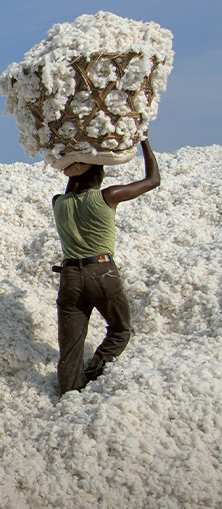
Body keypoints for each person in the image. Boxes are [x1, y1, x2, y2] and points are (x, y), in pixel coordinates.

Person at [52, 138, 161, 395]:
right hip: (101, 273)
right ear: (98, 174)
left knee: (70, 347)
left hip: (69, 277)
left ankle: (69, 395)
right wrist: (144, 142)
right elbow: (153, 180)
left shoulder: (59, 202)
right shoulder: (107, 196)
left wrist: (75, 159)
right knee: (120, 330)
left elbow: (71, 188)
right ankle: (94, 373)